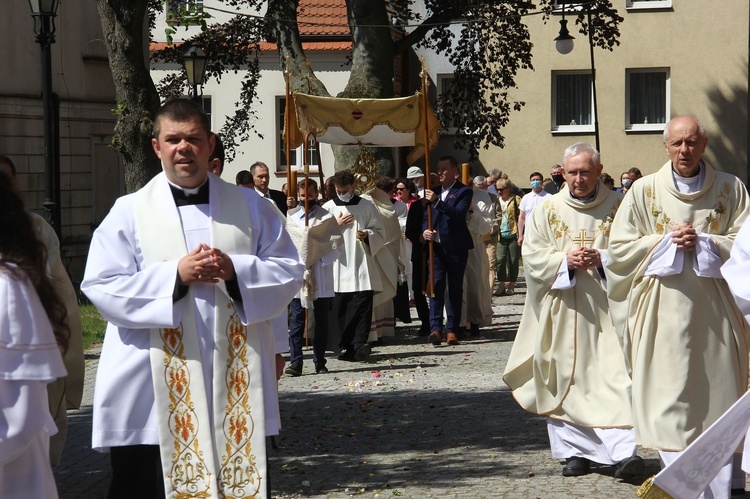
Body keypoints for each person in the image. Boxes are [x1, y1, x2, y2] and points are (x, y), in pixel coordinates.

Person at [81, 98, 304, 499]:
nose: (183, 147)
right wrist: (174, 277)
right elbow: (101, 285)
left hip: (232, 381)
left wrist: (237, 271)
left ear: (210, 144)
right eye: (173, 139)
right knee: (142, 484)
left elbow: (289, 270)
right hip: (149, 386)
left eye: (193, 139)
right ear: (157, 147)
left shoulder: (253, 207)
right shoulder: (128, 211)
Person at [606, 116, 750, 498]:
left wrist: (705, 243)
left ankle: (720, 489)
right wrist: (665, 243)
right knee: (669, 399)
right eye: (677, 143)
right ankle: (676, 488)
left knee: (717, 399)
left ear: (704, 146)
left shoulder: (731, 188)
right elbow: (619, 251)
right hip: (661, 310)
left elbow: (747, 242)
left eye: (691, 142)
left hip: (717, 312)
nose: (684, 150)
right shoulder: (642, 190)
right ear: (665, 147)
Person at [503, 142, 640, 479]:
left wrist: (604, 259)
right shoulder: (547, 209)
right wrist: (564, 260)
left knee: (616, 378)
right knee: (566, 377)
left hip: (609, 311)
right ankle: (574, 453)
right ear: (563, 173)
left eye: (586, 172)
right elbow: (533, 258)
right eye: (573, 172)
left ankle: (623, 452)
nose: (580, 178)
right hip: (563, 307)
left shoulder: (620, 206)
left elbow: (636, 252)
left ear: (599, 170)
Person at [0, 155, 84, 466]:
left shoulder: (35, 228)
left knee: (40, 439)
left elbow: (54, 285)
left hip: (27, 345)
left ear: (15, 183)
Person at [322, 169, 386, 362]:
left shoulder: (366, 206)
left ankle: (360, 344)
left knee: (361, 306)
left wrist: (367, 234)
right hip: (339, 265)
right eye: (338, 190)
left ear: (353, 187)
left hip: (360, 264)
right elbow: (319, 238)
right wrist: (336, 226)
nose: (341, 194)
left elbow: (380, 232)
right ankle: (345, 346)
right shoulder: (327, 208)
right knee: (341, 308)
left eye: (345, 190)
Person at [285, 179, 341, 376]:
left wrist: (317, 253)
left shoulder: (326, 217)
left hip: (320, 271)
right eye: (302, 195)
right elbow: (286, 243)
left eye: (309, 195)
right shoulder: (291, 217)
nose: (306, 199)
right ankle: (296, 361)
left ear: (316, 194)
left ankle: (320, 361)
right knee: (297, 318)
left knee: (321, 319)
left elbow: (335, 243)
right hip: (299, 273)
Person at [421, 155, 474, 346]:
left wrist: (437, 202)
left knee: (454, 289)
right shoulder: (432, 192)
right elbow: (424, 217)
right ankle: (435, 328)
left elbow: (458, 215)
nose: (440, 172)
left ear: (454, 171)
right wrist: (425, 231)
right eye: (439, 168)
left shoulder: (463, 192)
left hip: (456, 248)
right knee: (435, 287)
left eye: (444, 169)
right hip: (436, 248)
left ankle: (452, 329)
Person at [462, 176, 494, 337]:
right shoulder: (450, 193)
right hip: (455, 244)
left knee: (474, 284)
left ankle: (474, 321)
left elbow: (488, 225)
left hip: (474, 243)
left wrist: (472, 211)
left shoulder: (482, 196)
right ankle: (459, 323)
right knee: (457, 286)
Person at [495, 178, 522, 296]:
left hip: (513, 233)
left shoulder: (516, 199)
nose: (499, 192)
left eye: (502, 189)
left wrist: (521, 234)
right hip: (500, 234)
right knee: (500, 260)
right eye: (497, 189)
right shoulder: (496, 200)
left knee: (513, 260)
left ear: (508, 188)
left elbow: (521, 216)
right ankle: (501, 285)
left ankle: (511, 285)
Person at [517, 171, 551, 247]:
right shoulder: (526, 198)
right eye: (533, 180)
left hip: (544, 234)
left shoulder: (549, 197)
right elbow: (521, 217)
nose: (535, 182)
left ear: (542, 182)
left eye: (537, 180)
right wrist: (520, 235)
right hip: (529, 234)